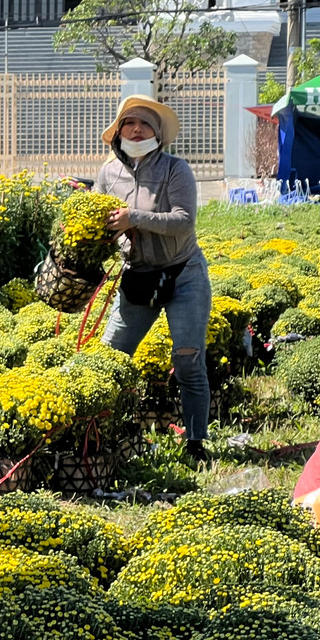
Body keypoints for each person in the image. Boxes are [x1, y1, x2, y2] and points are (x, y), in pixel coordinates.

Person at [94, 95, 212, 462]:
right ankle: (101, 439)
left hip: (183, 274)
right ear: (119, 131)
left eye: (145, 124)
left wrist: (135, 219)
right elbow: (100, 223)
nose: (137, 129)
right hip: (138, 278)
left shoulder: (177, 170)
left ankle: (196, 444)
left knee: (189, 360)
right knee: (108, 360)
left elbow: (184, 220)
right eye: (130, 123)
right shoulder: (107, 173)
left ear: (158, 134)